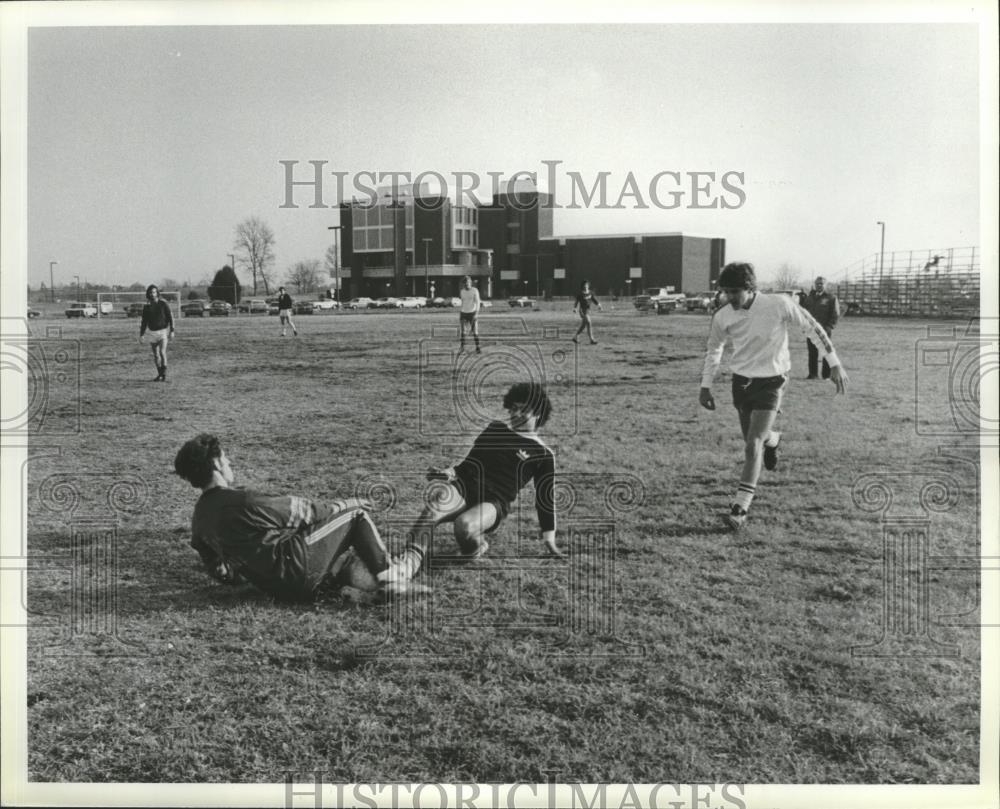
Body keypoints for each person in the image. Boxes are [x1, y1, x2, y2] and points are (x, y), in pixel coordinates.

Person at [173, 433, 428, 602]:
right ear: (217, 464)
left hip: (278, 590)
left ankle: (357, 585)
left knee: (342, 560)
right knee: (356, 516)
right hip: (297, 568)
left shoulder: (199, 520)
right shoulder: (243, 501)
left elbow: (219, 571)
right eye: (225, 458)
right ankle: (393, 579)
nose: (229, 463)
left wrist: (251, 572)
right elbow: (305, 511)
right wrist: (348, 503)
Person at [699, 263, 848, 530]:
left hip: (773, 380)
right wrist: (705, 385)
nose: (729, 297)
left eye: (735, 292)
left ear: (750, 287)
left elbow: (812, 327)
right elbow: (714, 350)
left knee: (752, 444)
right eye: (725, 292)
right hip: (741, 382)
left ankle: (740, 508)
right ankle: (774, 439)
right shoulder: (722, 316)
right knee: (753, 440)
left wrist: (833, 362)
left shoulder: (779, 304)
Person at [380, 382, 564, 583]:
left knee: (465, 526)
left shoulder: (544, 454)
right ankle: (407, 564)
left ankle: (475, 549)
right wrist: (447, 473)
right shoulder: (495, 429)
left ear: (538, 413)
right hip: (466, 487)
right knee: (434, 507)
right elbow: (468, 464)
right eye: (513, 408)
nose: (516, 413)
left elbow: (545, 498)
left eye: (523, 409)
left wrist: (550, 540)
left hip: (494, 502)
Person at [801, 276, 839, 379]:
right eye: (817, 283)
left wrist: (829, 327)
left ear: (825, 285)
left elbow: (835, 314)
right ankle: (813, 374)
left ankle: (826, 375)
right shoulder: (809, 298)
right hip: (811, 329)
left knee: (826, 352)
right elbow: (804, 312)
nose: (819, 285)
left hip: (824, 330)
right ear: (814, 284)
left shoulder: (831, 298)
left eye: (821, 283)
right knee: (812, 353)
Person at [139, 284, 175, 382]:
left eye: (154, 292)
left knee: (162, 352)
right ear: (148, 294)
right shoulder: (146, 307)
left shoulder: (163, 304)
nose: (152, 294)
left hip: (163, 332)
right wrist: (141, 335)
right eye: (150, 292)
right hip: (152, 333)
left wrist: (172, 330)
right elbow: (144, 322)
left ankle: (164, 374)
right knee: (156, 355)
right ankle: (159, 374)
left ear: (157, 293)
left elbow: (170, 317)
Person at [458, 276, 482, 354]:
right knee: (463, 332)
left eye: (468, 282)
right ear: (463, 284)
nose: (466, 284)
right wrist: (460, 313)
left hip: (472, 313)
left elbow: (478, 302)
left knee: (475, 332)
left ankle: (478, 348)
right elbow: (462, 302)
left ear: (470, 283)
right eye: (465, 283)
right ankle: (462, 348)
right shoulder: (462, 291)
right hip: (463, 313)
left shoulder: (475, 290)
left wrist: (476, 313)